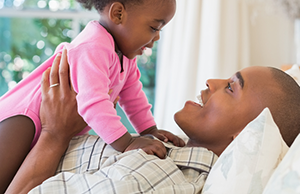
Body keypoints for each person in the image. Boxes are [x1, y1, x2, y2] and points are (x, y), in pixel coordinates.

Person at [0, 0, 187, 193]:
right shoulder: (94, 46)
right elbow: (93, 103)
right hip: (20, 119)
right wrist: (126, 142)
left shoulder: (123, 56)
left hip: (43, 124)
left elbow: (133, 96)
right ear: (118, 13)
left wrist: (149, 129)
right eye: (154, 27)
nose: (155, 38)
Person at [5, 50, 300, 194]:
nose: (212, 81)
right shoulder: (162, 151)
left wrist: (55, 134)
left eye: (231, 87)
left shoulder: (160, 177)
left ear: (245, 134)